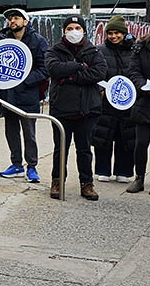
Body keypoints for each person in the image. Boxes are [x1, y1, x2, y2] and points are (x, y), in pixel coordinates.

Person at [45, 15, 107, 200]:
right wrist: (78, 66)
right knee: (60, 149)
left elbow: (99, 72)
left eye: (77, 28)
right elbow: (54, 69)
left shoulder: (93, 51)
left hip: (88, 110)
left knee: (85, 149)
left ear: (84, 31)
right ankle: (57, 181)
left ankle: (86, 184)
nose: (74, 32)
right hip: (61, 110)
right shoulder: (54, 50)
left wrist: (70, 77)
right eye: (70, 28)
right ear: (64, 31)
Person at [0, 8, 50, 184]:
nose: (12, 21)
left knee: (29, 133)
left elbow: (45, 68)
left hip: (28, 96)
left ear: (25, 22)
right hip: (8, 95)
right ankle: (16, 165)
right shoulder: (3, 40)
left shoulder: (38, 41)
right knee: (11, 132)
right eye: (10, 18)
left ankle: (32, 167)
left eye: (16, 18)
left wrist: (23, 80)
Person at [94, 16, 136, 183]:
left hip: (128, 102)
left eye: (117, 33)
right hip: (106, 102)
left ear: (124, 33)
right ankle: (102, 170)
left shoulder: (135, 50)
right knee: (103, 135)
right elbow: (95, 73)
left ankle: (124, 171)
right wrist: (100, 89)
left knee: (126, 137)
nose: (113, 36)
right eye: (110, 33)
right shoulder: (99, 50)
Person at [127, 19, 150, 194]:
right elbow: (133, 71)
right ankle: (139, 177)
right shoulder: (142, 46)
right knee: (141, 143)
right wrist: (144, 86)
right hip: (145, 100)